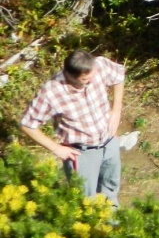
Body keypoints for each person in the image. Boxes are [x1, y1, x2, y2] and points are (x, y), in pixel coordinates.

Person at [19, 49, 126, 204]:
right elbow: (28, 124)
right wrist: (55, 148)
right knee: (86, 200)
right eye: (86, 80)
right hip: (82, 153)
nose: (92, 81)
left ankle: (111, 226)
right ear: (70, 76)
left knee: (110, 189)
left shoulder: (100, 65)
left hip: (109, 143)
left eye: (93, 76)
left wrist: (116, 110)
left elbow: (119, 75)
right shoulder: (52, 92)